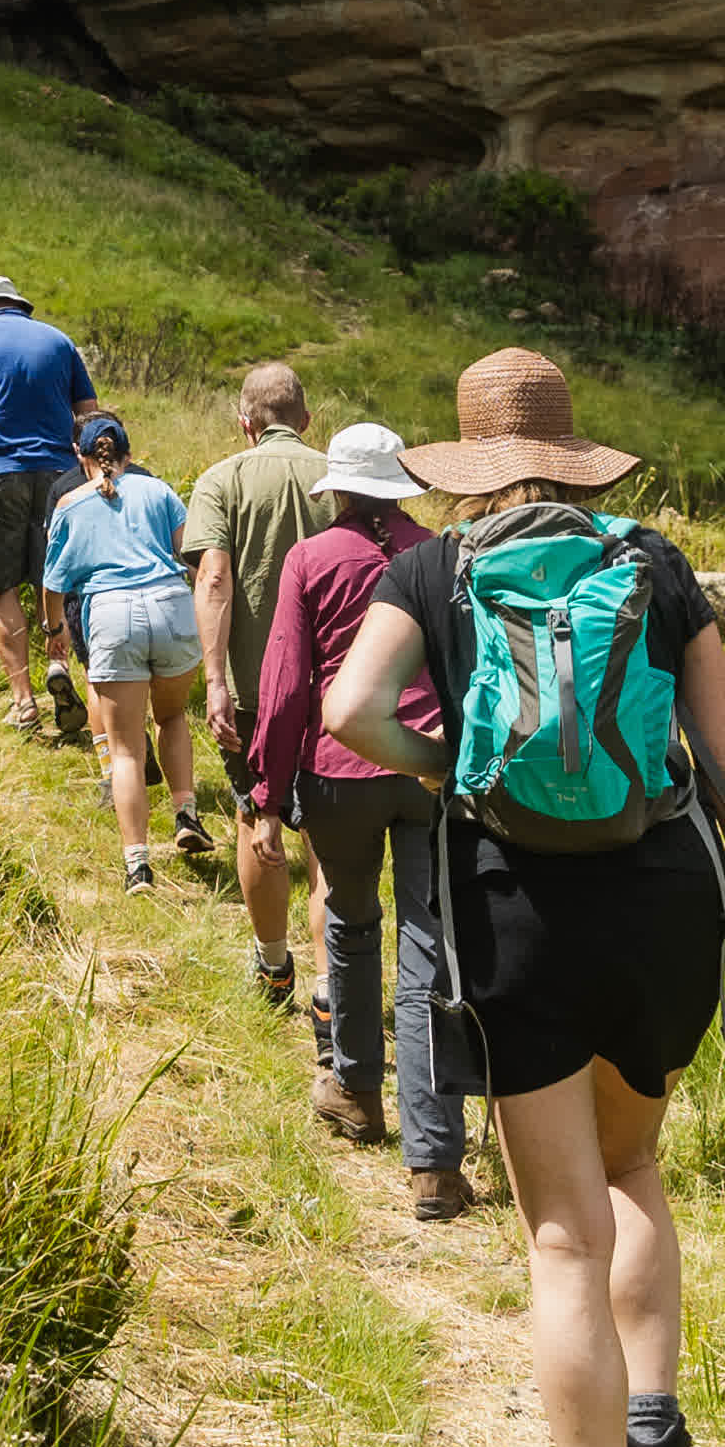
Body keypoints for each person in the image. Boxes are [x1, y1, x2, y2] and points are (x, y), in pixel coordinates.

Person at [308, 348, 725, 1447]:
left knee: (557, 1232)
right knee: (634, 1165)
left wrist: (454, 774)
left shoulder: (427, 566)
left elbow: (347, 706)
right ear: (574, 450)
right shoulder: (651, 564)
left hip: (511, 904)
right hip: (656, 894)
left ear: (471, 458)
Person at [248, 421, 472, 1217]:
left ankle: (353, 1087)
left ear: (337, 487)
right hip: (424, 764)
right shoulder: (442, 553)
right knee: (426, 949)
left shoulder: (311, 558)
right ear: (401, 485)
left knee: (348, 923)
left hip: (336, 767)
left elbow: (284, 685)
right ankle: (435, 1161)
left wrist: (267, 797)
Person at [181, 364, 337, 1008]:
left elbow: (214, 578)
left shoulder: (222, 480)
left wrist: (214, 680)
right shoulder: (340, 477)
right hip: (334, 692)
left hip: (251, 692)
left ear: (244, 424)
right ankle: (336, 981)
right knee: (326, 834)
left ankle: (274, 964)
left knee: (255, 815)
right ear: (306, 420)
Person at [42, 414, 210, 888]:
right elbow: (191, 557)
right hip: (170, 605)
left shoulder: (71, 503)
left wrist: (54, 628)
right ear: (129, 454)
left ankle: (138, 863)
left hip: (113, 615)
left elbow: (53, 582)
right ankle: (186, 814)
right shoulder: (157, 491)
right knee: (172, 717)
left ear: (82, 457)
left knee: (125, 749)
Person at [0, 276, 102, 740]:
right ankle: (57, 665)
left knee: (2, 586)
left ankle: (24, 702)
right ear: (19, 307)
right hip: (60, 476)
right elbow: (88, 412)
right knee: (59, 581)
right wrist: (96, 474)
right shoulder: (59, 340)